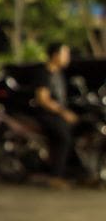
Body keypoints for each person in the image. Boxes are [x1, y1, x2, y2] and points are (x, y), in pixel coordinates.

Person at [33, 42, 77, 189]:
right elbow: (43, 99)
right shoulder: (44, 73)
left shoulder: (59, 73)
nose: (67, 57)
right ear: (55, 55)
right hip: (46, 115)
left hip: (58, 113)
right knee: (64, 137)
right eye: (65, 54)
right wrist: (64, 113)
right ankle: (55, 177)